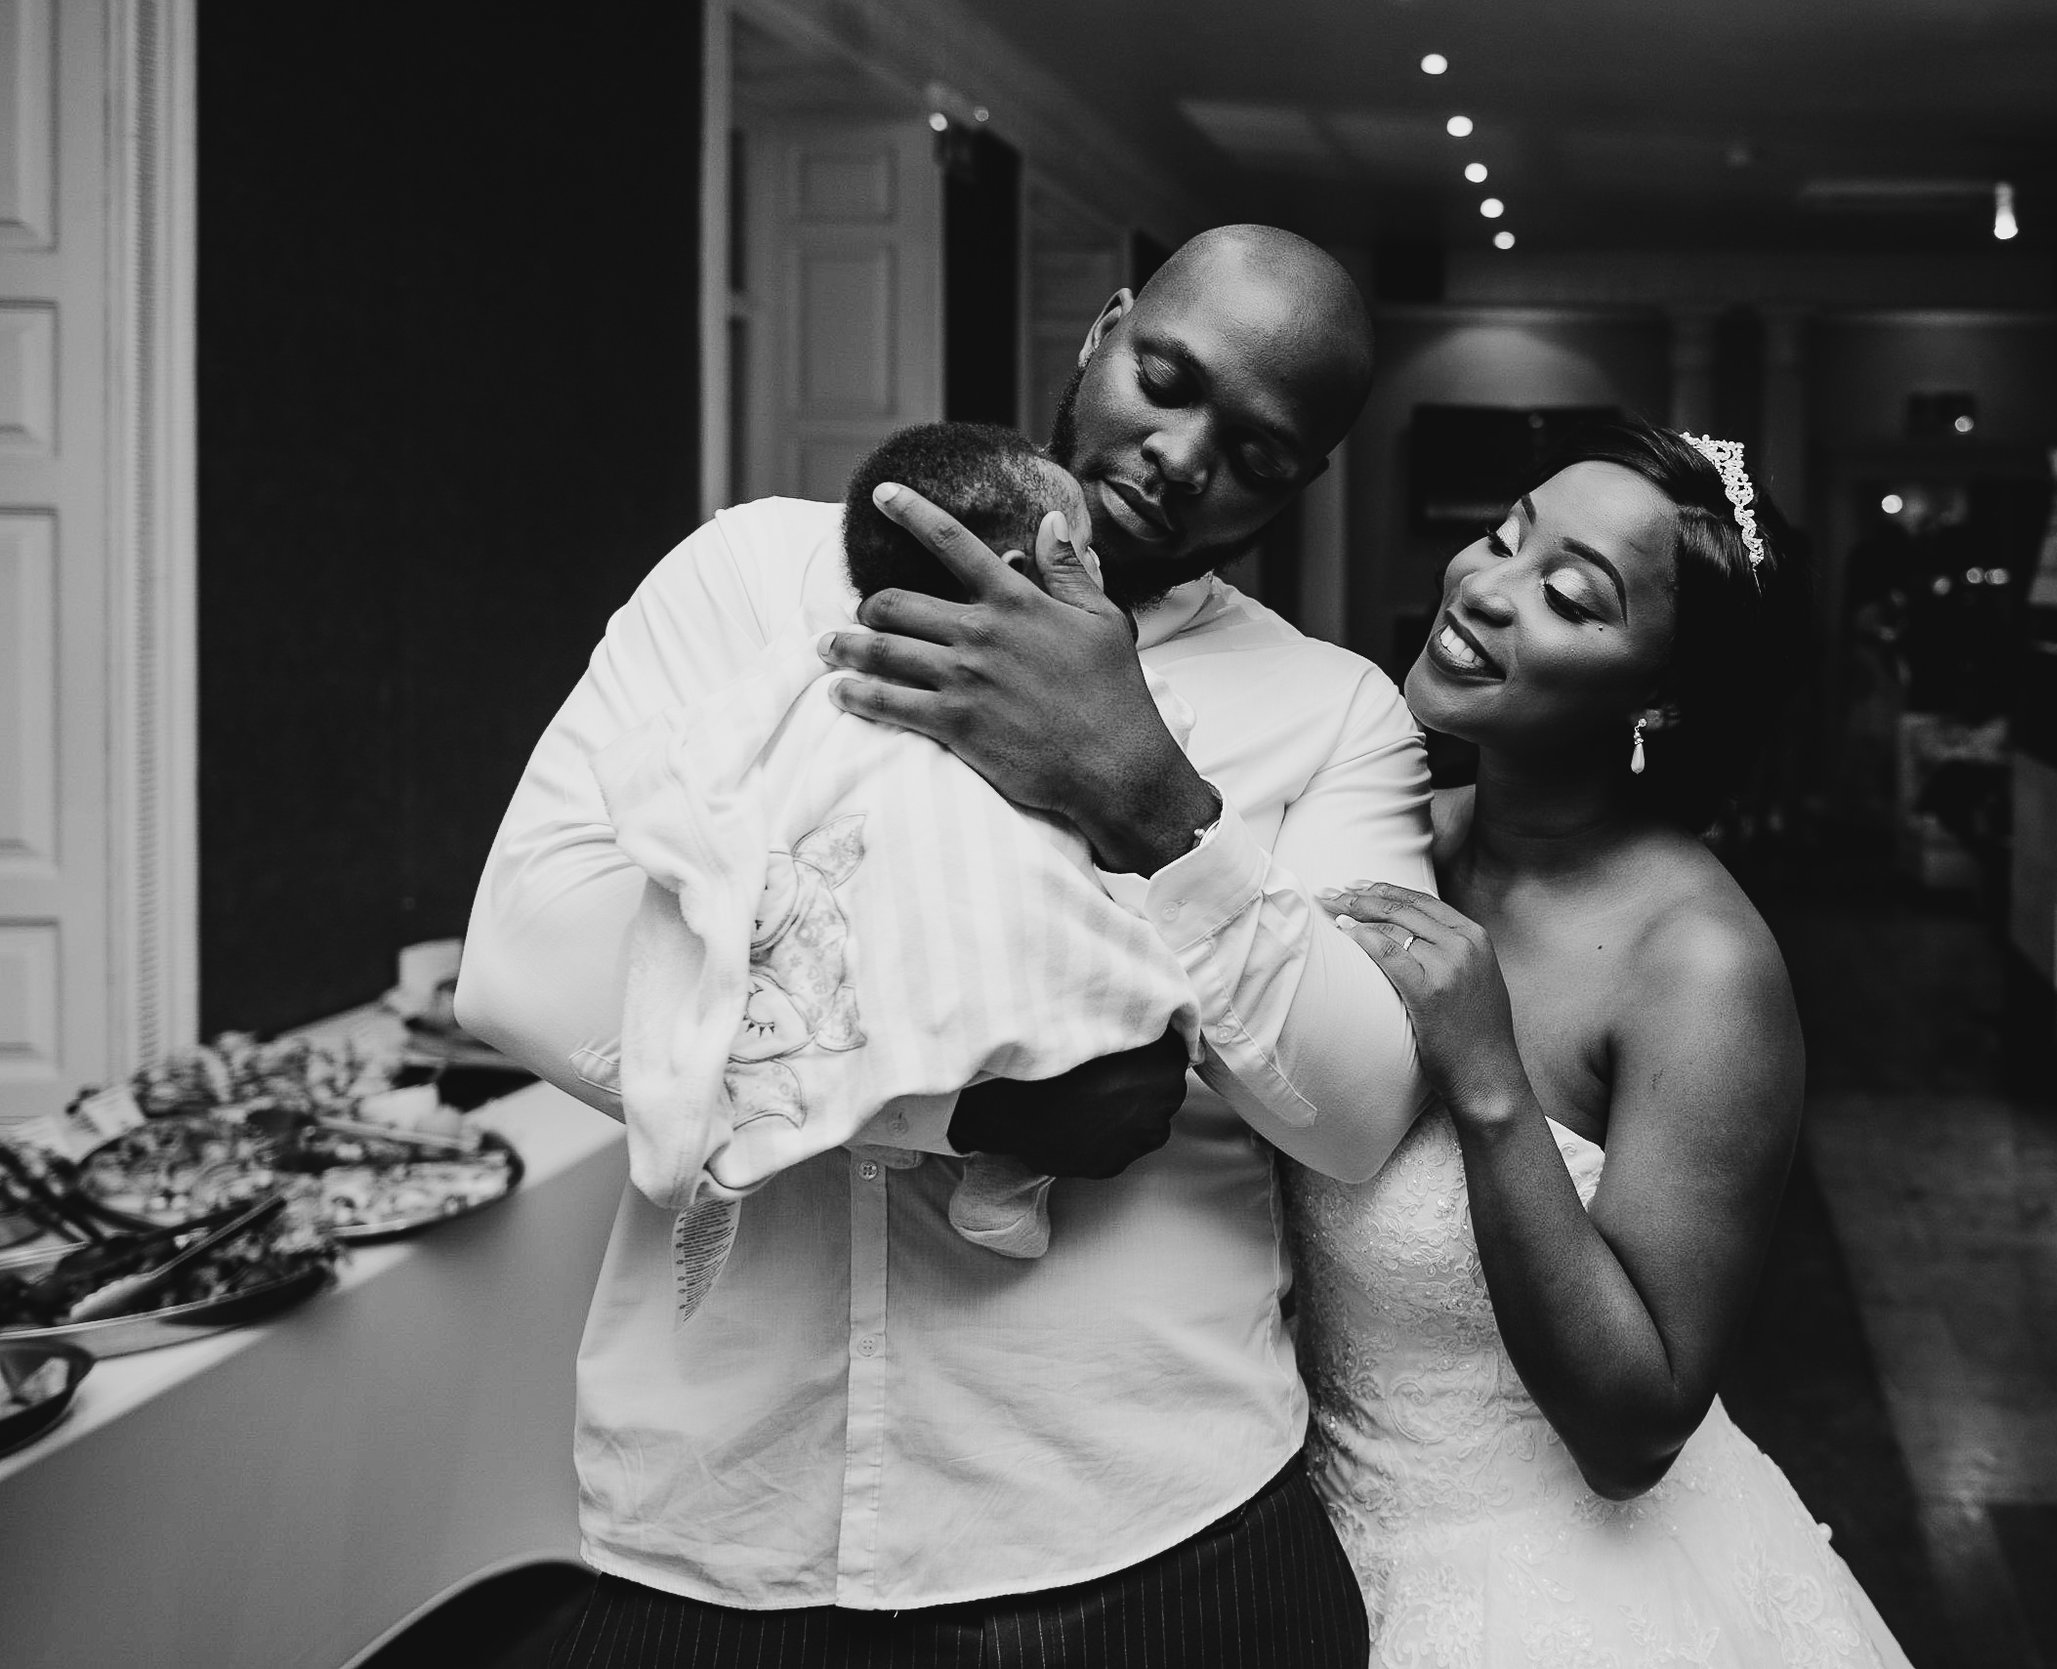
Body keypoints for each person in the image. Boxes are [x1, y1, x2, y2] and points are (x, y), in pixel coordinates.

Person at [459, 226, 1430, 1666]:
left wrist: (1148, 792)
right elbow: (527, 962)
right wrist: (955, 1106)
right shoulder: (749, 577)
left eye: (1259, 450)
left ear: (1303, 483)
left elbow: (1355, 1116)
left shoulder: (1333, 710)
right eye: (1166, 377)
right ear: (1104, 331)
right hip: (724, 1521)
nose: (1178, 453)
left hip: (1141, 1520)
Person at [1302, 421, 1914, 1667]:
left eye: (1568, 594)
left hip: (1559, 1601)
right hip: (1305, 1553)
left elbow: (1634, 1430)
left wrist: (1488, 1081)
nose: (1483, 586)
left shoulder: (1698, 964)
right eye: (1502, 534)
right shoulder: (1374, 827)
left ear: (1662, 692)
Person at [588, 422, 1198, 1282]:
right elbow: (1149, 761)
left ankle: (949, 1130)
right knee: (1145, 1036)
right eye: (1082, 558)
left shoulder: (805, 663)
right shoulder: (1093, 699)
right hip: (989, 975)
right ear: (1025, 582)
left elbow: (702, 750)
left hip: (859, 973)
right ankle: (1006, 1176)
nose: (1097, 579)